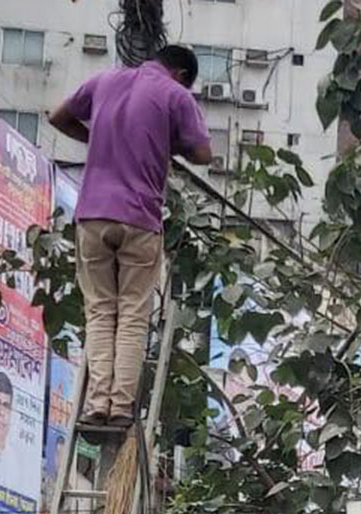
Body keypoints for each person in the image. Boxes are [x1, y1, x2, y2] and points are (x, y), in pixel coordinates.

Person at [49, 45, 212, 429]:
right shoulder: (176, 94)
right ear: (183, 74)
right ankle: (121, 406)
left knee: (100, 311)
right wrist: (166, 143)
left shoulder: (105, 80)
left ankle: (96, 404)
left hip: (91, 215)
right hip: (139, 217)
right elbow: (204, 154)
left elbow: (58, 116)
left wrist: (97, 139)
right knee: (134, 314)